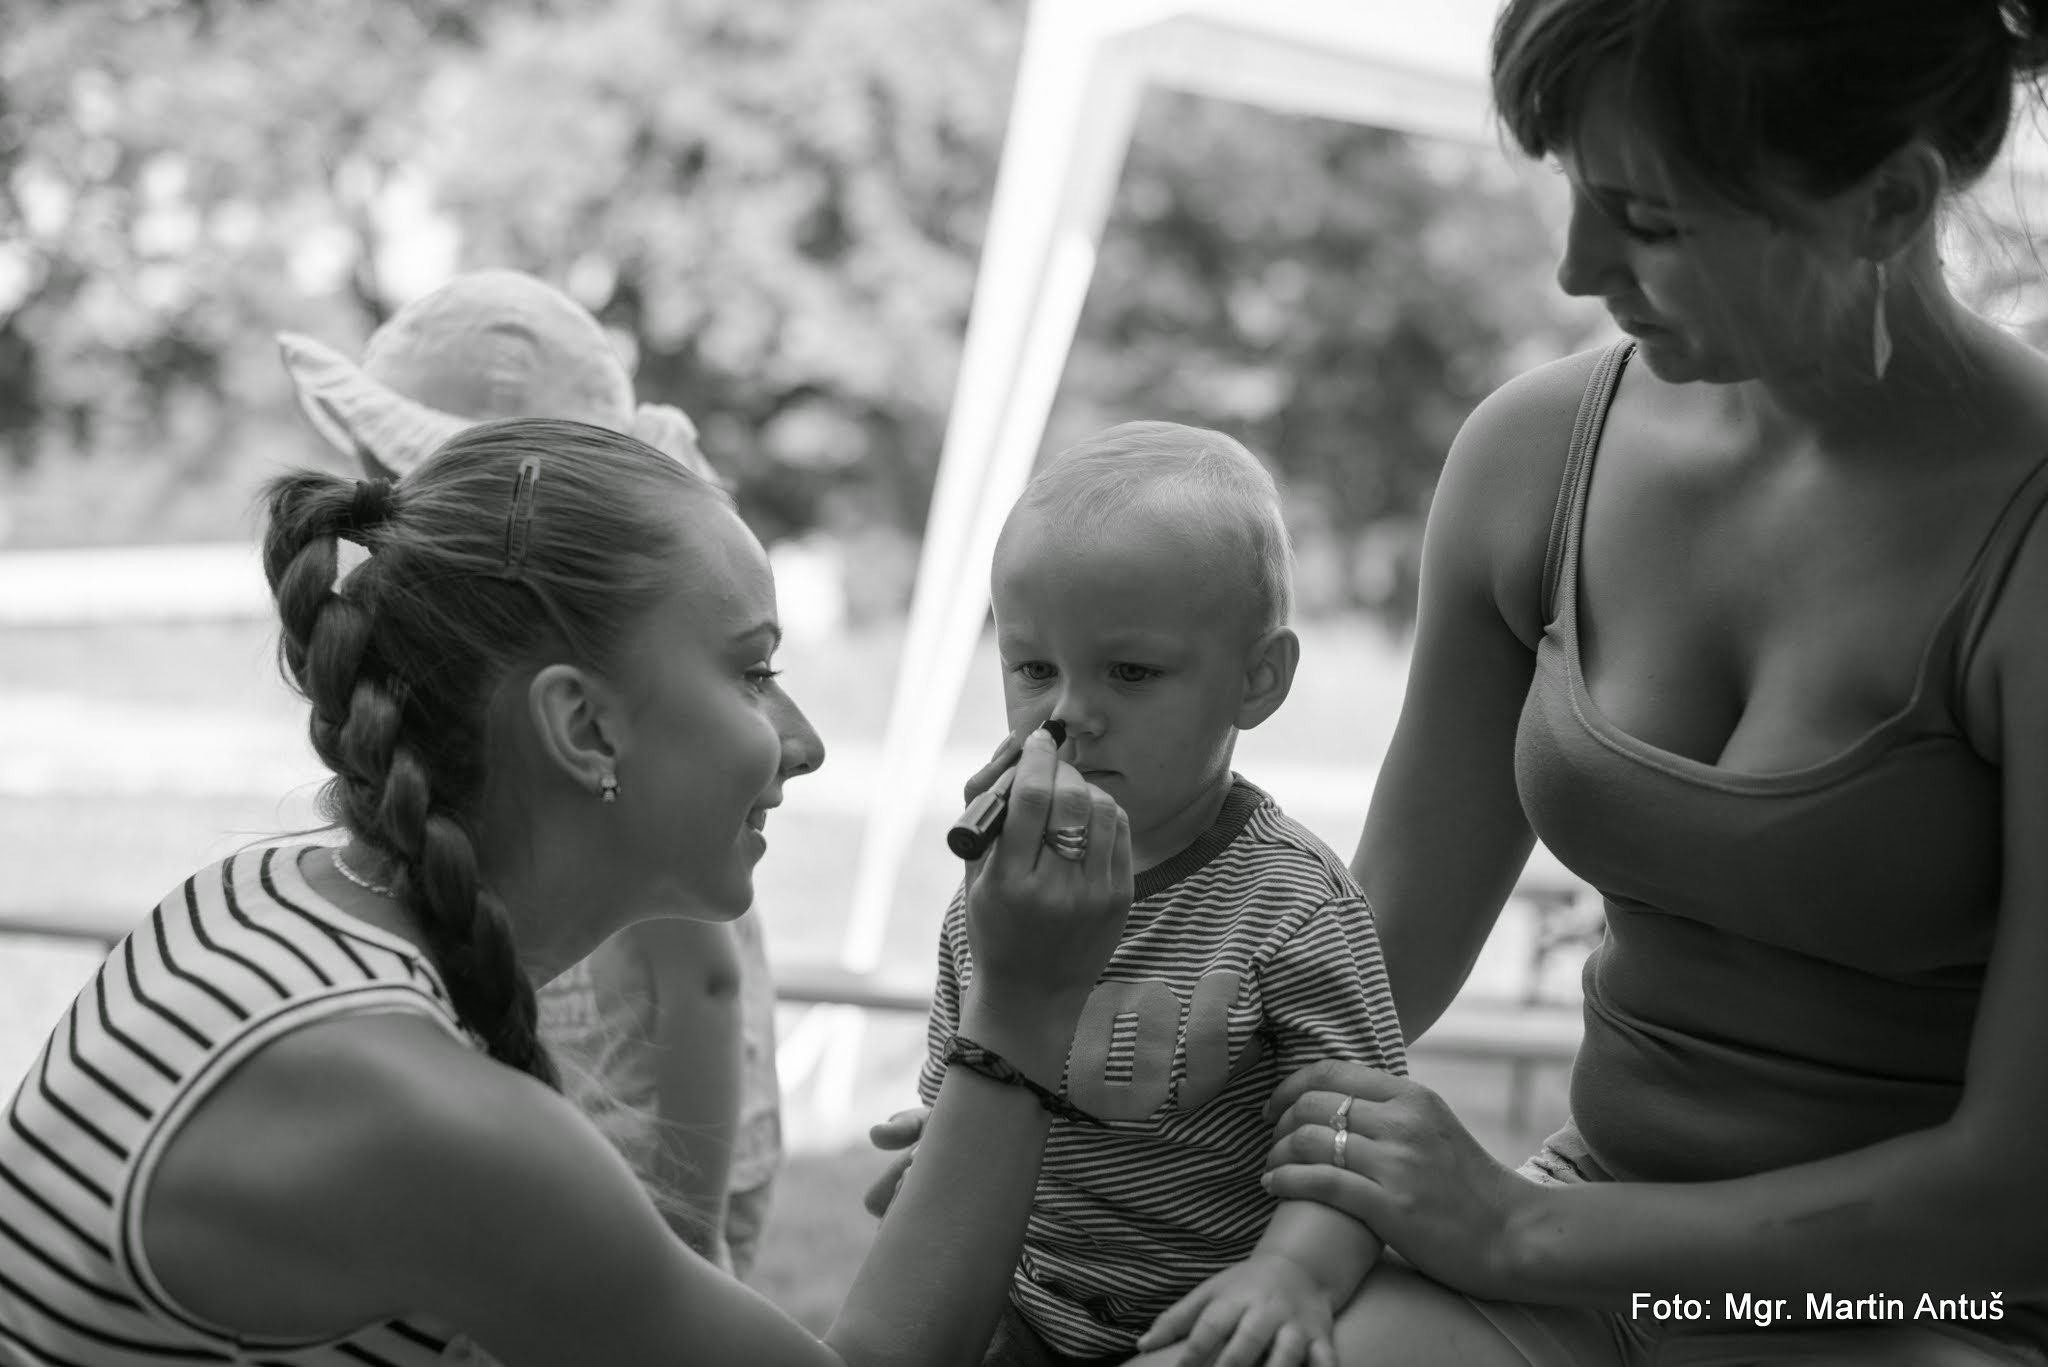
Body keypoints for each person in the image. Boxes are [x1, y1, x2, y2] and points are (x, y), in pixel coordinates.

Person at [1232, 2, 2048, 1364]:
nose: (1574, 266)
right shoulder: (1534, 453)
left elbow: (2013, 1189)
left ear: (1887, 201)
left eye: (1649, 221)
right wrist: (1070, 1099)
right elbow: (1376, 957)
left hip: (1939, 1305)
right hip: (1590, 1236)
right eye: (1572, 189)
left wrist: (1519, 1231)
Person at [0, 417, 1134, 1366]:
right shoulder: (428, 1117)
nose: (806, 742)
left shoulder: (264, 896)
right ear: (583, 726)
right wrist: (1024, 1007)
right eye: (753, 671)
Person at [277, 268, 783, 1275]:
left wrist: (691, 1235)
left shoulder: (620, 757)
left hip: (654, 1174)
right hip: (540, 1166)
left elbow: (704, 980)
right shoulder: (468, 705)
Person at [908, 422, 1408, 1367]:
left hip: (1214, 1321)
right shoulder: (1006, 882)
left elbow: (1354, 1141)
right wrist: (935, 1144)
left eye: (1130, 672)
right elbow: (968, 1077)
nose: (1069, 714)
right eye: (1034, 668)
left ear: (1258, 679)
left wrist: (1292, 1273)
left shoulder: (1291, 903)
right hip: (1015, 1309)